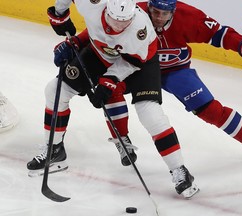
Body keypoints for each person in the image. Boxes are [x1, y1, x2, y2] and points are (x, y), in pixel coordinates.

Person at [26, 0, 199, 199]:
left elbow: (133, 62)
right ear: (106, 8)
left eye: (123, 23)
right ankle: (54, 149)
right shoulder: (93, 3)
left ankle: (179, 170)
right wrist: (59, 13)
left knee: (150, 114)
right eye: (114, 20)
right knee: (55, 90)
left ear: (132, 16)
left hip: (138, 62)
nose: (117, 27)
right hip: (101, 53)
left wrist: (109, 80)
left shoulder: (139, 29)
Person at [120, 0, 242, 163]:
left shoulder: (188, 16)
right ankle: (121, 138)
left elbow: (219, 34)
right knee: (109, 89)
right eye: (155, 12)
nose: (159, 18)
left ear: (173, 11)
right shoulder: (132, 14)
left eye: (165, 13)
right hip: (139, 70)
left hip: (175, 71)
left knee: (210, 110)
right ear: (148, 7)